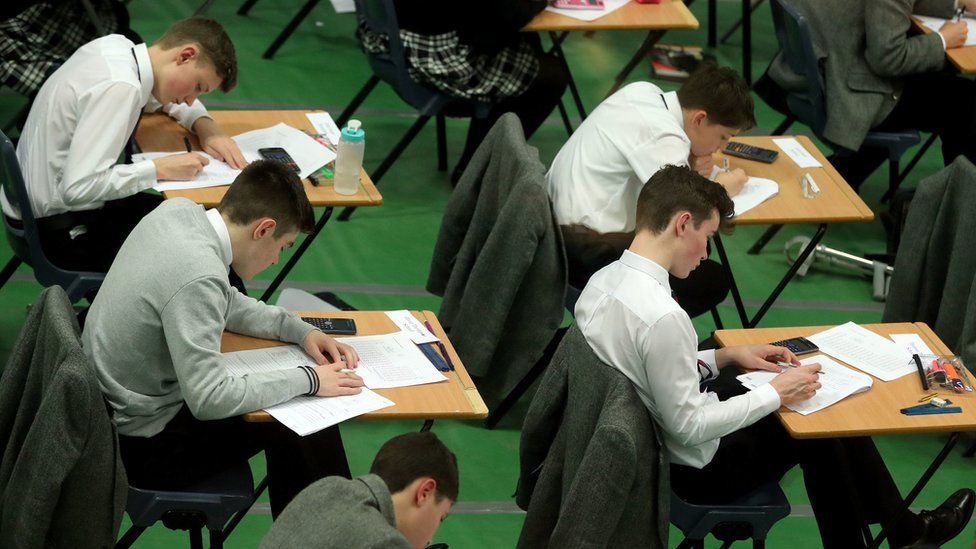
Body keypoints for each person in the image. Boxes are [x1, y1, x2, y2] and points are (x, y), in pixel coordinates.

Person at [574, 164, 976, 548]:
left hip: (644, 439)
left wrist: (726, 356)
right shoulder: (663, 316)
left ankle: (901, 530)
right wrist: (777, 394)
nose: (706, 253)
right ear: (682, 224)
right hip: (693, 468)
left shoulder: (602, 282)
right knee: (819, 418)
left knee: (812, 412)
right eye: (708, 236)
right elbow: (690, 428)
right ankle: (903, 530)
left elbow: (649, 369)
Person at [82, 160, 366, 516]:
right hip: (143, 447)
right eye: (284, 246)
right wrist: (309, 379)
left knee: (296, 406)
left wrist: (299, 330)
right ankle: (335, 535)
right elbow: (208, 397)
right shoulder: (199, 275)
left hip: (109, 409)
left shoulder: (178, 212)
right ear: (264, 229)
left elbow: (224, 301)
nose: (277, 260)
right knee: (307, 413)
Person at [1, 16, 247, 274]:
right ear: (185, 56)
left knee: (194, 222)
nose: (189, 100)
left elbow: (159, 99)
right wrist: (158, 169)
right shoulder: (121, 87)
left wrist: (204, 123)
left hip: (31, 211)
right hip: (58, 231)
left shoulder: (117, 49)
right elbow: (78, 187)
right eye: (197, 87)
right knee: (201, 254)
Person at [546, 64, 753, 317]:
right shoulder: (666, 137)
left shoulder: (642, 91)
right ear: (699, 119)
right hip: (583, 253)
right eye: (723, 137)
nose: (721, 147)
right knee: (709, 277)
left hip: (553, 227)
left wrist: (689, 159)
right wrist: (725, 186)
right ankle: (631, 337)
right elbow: (689, 214)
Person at [764, 0, 976, 190]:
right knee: (963, 101)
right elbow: (888, 58)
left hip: (818, 68)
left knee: (942, 78)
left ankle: (846, 173)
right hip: (846, 89)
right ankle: (959, 204)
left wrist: (958, 2)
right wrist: (942, 40)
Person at [357, 0, 569, 184]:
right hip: (427, 57)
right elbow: (507, 16)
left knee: (521, 45)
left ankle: (478, 163)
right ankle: (473, 173)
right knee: (551, 75)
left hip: (385, 36)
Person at [262, 431, 458, 549]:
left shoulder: (328, 486)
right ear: (425, 492)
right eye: (441, 517)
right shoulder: (385, 542)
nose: (431, 538)